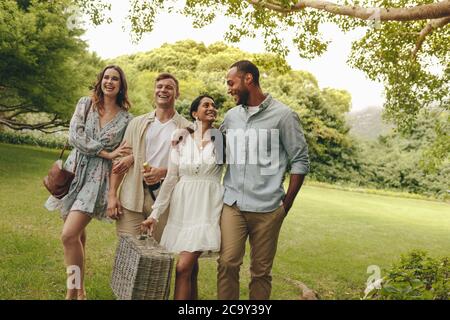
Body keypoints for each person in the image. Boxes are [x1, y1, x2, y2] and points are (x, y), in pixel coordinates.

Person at [217, 60, 310, 300]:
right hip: (233, 204)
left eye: (231, 82)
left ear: (248, 79)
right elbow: (218, 153)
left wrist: (285, 205)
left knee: (260, 272)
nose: (229, 89)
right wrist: (193, 133)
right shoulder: (230, 117)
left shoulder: (285, 116)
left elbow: (300, 160)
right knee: (227, 263)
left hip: (268, 208)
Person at [45, 65, 133, 300]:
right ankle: (81, 290)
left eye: (115, 79)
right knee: (78, 236)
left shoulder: (127, 119)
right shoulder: (86, 104)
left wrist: (114, 189)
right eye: (106, 77)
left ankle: (71, 293)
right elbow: (75, 136)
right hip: (74, 174)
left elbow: (123, 153)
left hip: (97, 181)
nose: (110, 82)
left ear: (121, 85)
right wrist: (106, 152)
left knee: (68, 235)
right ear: (100, 81)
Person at [141, 95, 224, 300]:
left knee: (183, 267)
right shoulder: (181, 138)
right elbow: (170, 179)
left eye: (214, 105)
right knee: (190, 269)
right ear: (195, 113)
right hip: (183, 207)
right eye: (206, 105)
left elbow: (236, 172)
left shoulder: (222, 139)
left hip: (207, 206)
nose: (211, 108)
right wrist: (155, 214)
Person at [107, 73, 191, 244]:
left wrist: (164, 172)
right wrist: (112, 196)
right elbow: (120, 162)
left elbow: (191, 169)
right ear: (154, 91)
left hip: (164, 202)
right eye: (159, 87)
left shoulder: (187, 128)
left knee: (157, 254)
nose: (163, 90)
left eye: (169, 87)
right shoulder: (137, 123)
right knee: (128, 249)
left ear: (177, 93)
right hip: (132, 195)